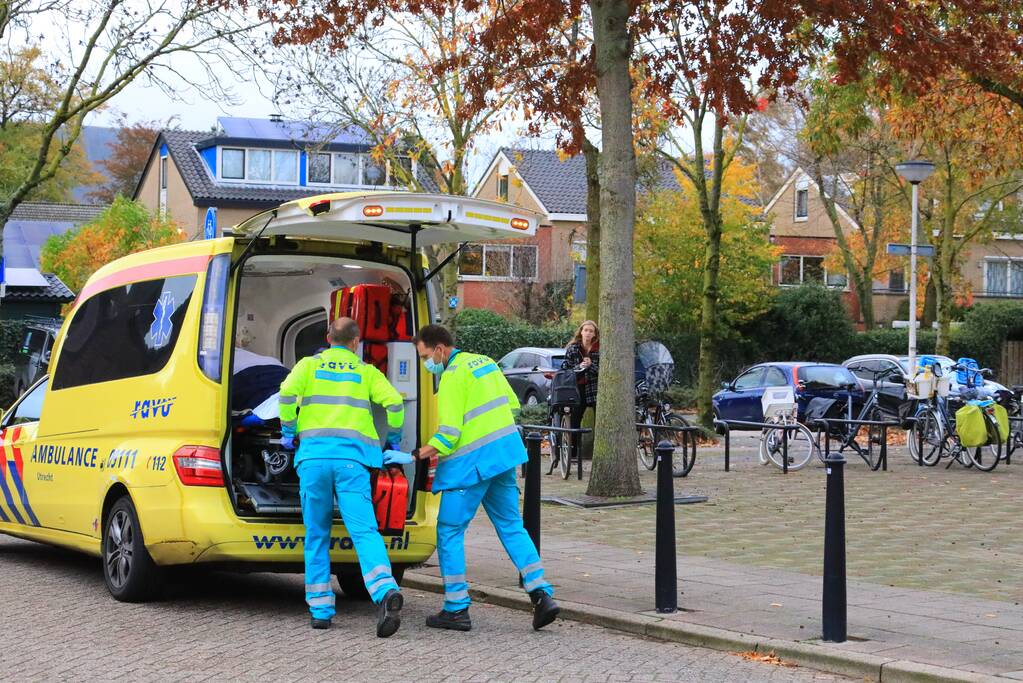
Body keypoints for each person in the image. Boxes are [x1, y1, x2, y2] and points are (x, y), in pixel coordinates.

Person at [412, 324, 559, 632]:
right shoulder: (485, 362)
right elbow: (513, 405)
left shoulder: (452, 377)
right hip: (503, 458)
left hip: (471, 467)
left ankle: (456, 608)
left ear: (439, 349)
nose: (428, 365)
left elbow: (450, 434)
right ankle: (541, 592)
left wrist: (418, 453)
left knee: (449, 531)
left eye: (426, 357)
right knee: (511, 526)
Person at [279, 317, 408, 636]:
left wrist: (287, 430)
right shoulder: (366, 372)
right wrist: (393, 437)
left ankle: (321, 608)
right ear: (356, 342)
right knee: (364, 532)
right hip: (353, 463)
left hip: (313, 461)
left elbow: (285, 393)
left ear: (327, 337)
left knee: (317, 534)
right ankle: (385, 591)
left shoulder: (309, 366)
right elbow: (394, 402)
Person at [562, 320, 600, 431]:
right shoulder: (573, 348)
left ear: (594, 334)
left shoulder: (600, 349)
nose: (588, 333)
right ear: (581, 332)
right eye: (586, 330)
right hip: (578, 388)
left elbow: (604, 372)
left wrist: (591, 365)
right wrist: (579, 367)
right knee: (575, 420)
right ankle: (573, 447)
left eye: (591, 331)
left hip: (595, 388)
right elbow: (566, 370)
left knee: (599, 419)